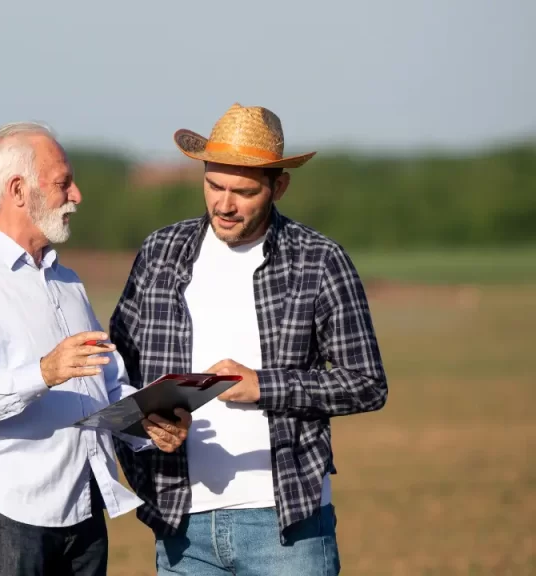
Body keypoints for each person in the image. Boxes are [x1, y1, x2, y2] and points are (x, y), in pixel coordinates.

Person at [109, 103, 388, 575]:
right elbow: (118, 373)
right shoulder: (159, 253)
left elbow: (366, 383)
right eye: (214, 185)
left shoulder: (320, 260)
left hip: (287, 527)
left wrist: (263, 386)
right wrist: (147, 427)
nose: (224, 204)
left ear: (279, 186)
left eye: (243, 191)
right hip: (181, 528)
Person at [0, 121, 195, 576]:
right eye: (63, 183)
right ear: (18, 190)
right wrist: (42, 373)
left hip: (84, 513)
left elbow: (104, 391)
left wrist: (146, 422)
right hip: (4, 519)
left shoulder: (67, 282)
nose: (77, 195)